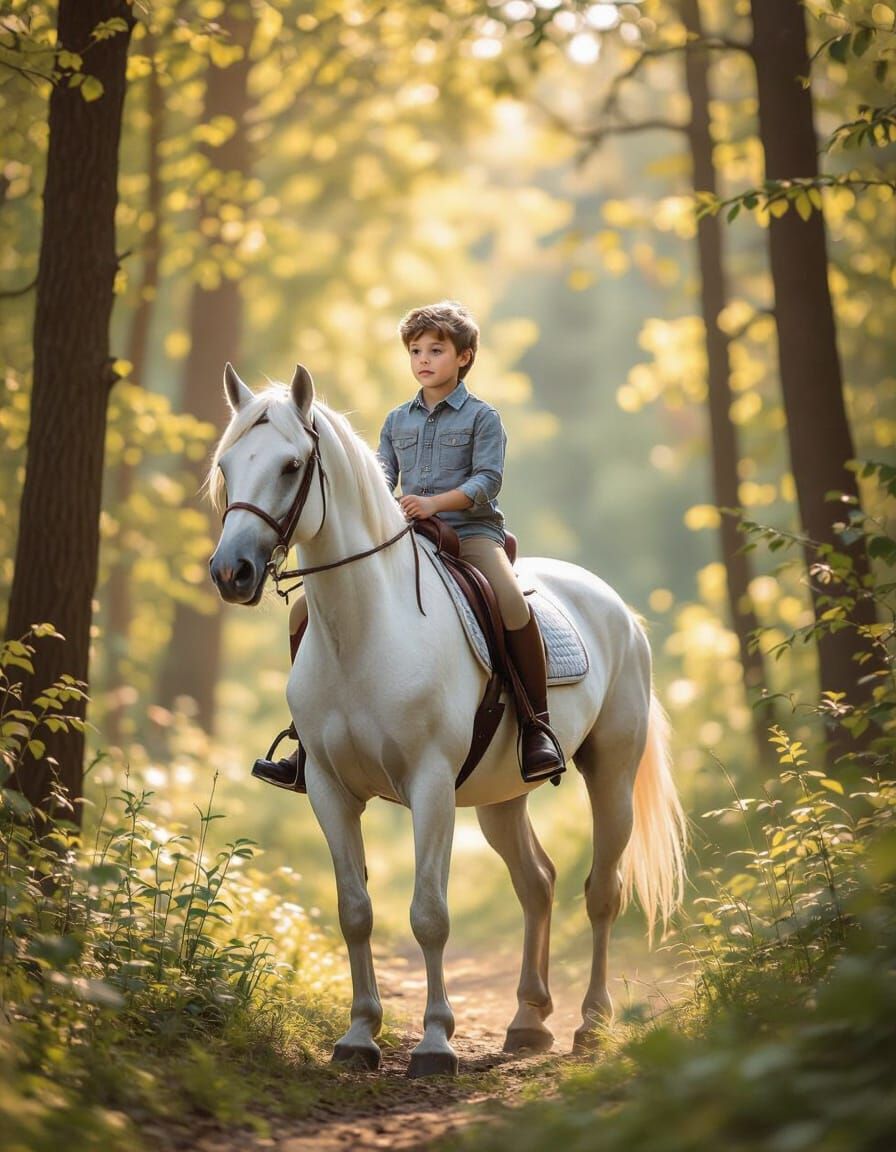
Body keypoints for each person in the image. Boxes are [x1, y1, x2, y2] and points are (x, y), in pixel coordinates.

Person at [251, 300, 564, 790]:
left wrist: (433, 503)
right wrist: (388, 508)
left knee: (511, 604)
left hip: (471, 534)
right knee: (300, 614)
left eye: (435, 350)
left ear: (463, 357)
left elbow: (488, 480)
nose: (423, 359)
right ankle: (305, 741)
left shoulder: (483, 417)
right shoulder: (397, 420)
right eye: (416, 350)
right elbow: (380, 477)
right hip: (407, 533)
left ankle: (535, 727)